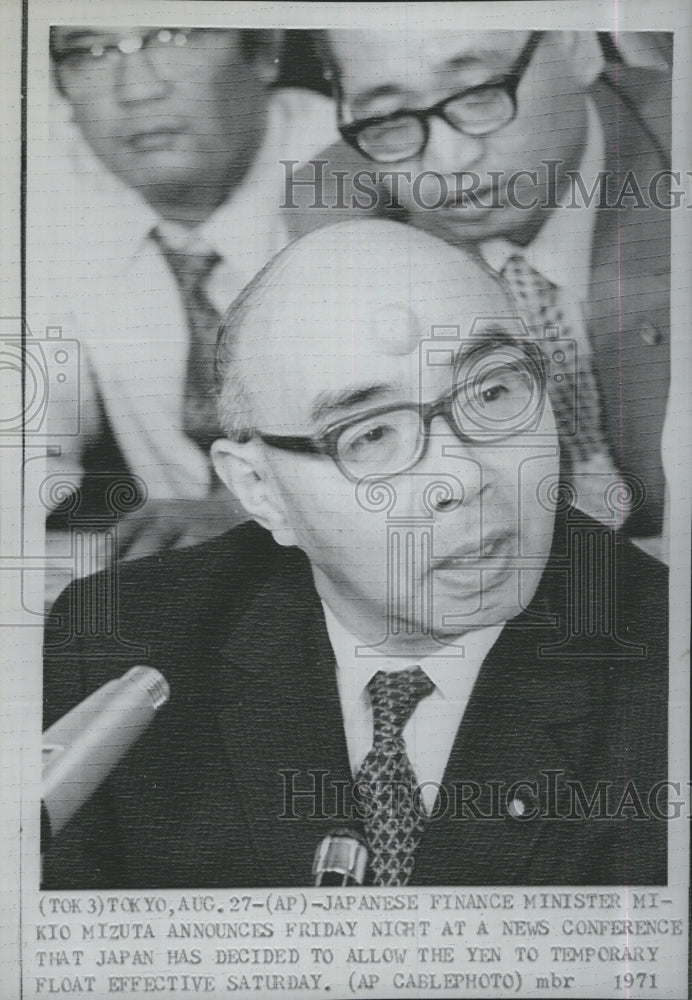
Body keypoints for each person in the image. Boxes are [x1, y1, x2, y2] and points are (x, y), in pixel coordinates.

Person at [42, 221, 668, 889]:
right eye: (369, 436)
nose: (460, 477)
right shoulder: (115, 648)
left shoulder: (665, 660)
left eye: (493, 392)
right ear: (260, 489)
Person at [284, 29, 671, 549]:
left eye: (479, 94)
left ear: (578, 46)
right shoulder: (339, 216)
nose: (448, 161)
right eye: (389, 118)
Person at [32, 26, 337, 590]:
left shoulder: (359, 166)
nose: (135, 90)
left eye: (174, 36)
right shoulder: (48, 183)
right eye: (89, 51)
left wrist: (254, 506)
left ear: (265, 50)